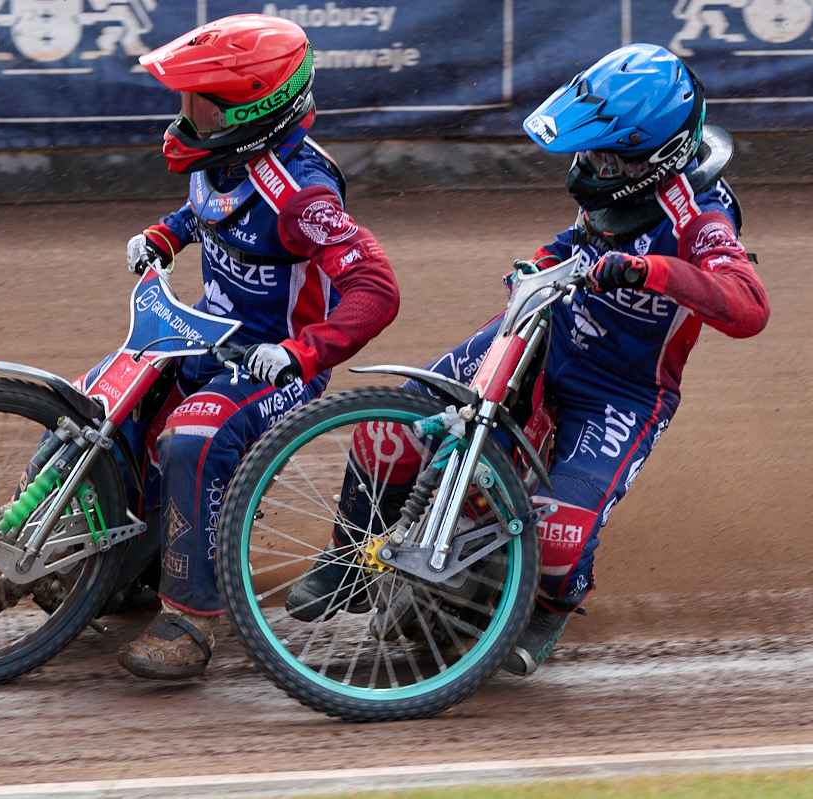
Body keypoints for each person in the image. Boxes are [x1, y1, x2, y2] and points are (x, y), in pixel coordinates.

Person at [285, 43, 770, 675]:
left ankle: (549, 608)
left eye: (604, 156)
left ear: (653, 157)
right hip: (543, 330)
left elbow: (749, 307)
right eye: (588, 152)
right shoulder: (616, 183)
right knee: (388, 431)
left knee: (560, 538)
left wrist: (650, 271)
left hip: (621, 389)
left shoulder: (703, 215)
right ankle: (347, 556)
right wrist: (541, 262)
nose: (589, 166)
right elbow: (577, 238)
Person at [61, 14, 399, 680]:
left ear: (255, 109)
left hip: (275, 366)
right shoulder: (221, 159)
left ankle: (191, 620)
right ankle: (106, 560)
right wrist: (164, 236)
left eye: (203, 108)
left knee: (193, 438)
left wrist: (304, 353)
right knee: (96, 400)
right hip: (204, 336)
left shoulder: (302, 195)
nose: (187, 120)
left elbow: (376, 290)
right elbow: (205, 211)